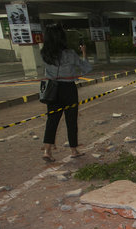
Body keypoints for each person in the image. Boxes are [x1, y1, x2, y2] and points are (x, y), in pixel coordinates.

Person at [40, 24, 92, 162]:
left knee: (52, 120)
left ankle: (47, 150)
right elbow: (86, 68)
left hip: (51, 89)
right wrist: (84, 52)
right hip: (68, 89)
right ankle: (74, 150)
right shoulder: (69, 54)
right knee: (71, 119)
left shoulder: (44, 53)